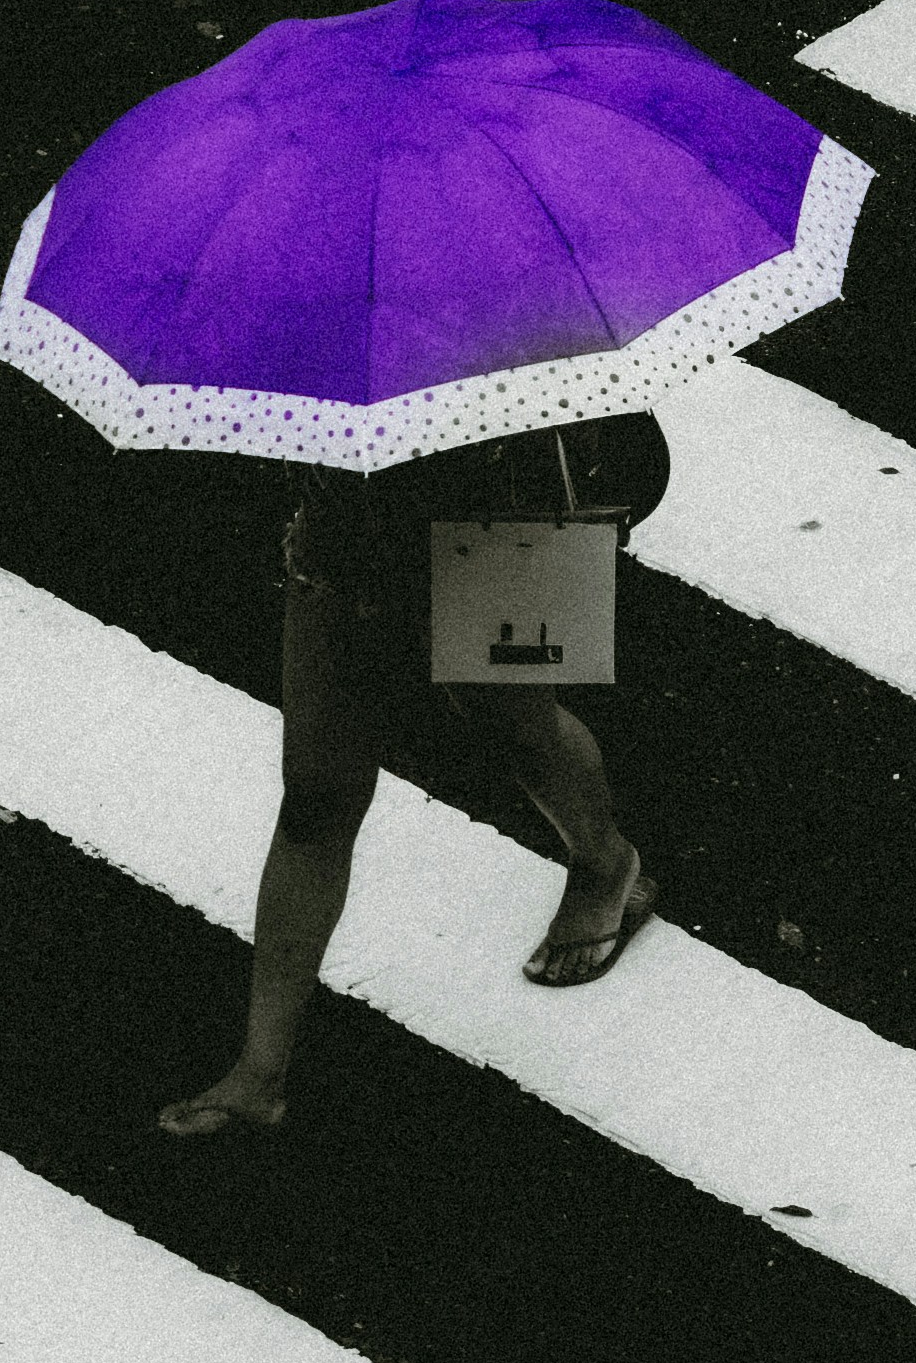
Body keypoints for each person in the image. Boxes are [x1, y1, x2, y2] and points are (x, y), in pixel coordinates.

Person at [157, 411, 671, 1136]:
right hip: (347, 525)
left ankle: (605, 860)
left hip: (508, 504)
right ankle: (259, 1074)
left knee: (512, 722)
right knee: (317, 792)